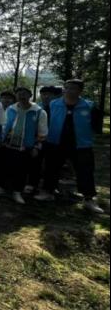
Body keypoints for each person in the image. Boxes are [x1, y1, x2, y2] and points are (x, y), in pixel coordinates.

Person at [37, 79, 104, 214]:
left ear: (80, 91)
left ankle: (88, 199)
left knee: (85, 171)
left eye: (73, 88)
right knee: (51, 167)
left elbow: (96, 126)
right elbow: (44, 122)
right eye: (66, 88)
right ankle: (48, 192)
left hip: (81, 144)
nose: (69, 91)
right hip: (55, 141)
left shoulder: (89, 106)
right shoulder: (53, 104)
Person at [0, 86, 48, 205]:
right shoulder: (11, 109)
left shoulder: (39, 111)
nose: (22, 96)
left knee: (21, 170)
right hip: (8, 144)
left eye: (25, 93)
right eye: (19, 93)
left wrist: (36, 146)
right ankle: (2, 188)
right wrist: (1, 139)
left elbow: (43, 132)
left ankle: (17, 192)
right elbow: (4, 125)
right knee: (4, 167)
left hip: (26, 146)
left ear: (30, 95)